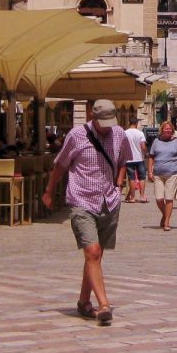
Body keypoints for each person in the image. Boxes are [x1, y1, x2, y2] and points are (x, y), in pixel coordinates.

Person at [43, 99, 132, 325]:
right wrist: (49, 191)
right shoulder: (76, 135)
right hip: (82, 200)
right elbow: (61, 164)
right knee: (92, 252)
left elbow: (124, 160)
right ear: (93, 117)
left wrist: (119, 183)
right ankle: (103, 304)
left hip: (109, 201)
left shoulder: (119, 134)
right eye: (103, 122)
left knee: (95, 255)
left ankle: (84, 302)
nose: (106, 126)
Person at [147, 121, 177, 230]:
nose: (167, 130)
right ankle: (165, 214)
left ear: (172, 130)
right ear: (161, 130)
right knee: (159, 199)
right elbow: (151, 156)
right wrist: (150, 171)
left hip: (172, 173)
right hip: (158, 174)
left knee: (169, 198)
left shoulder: (176, 142)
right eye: (165, 129)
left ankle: (166, 222)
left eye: (169, 129)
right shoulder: (156, 141)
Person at [123, 120, 148, 204]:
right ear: (136, 124)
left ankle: (132, 197)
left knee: (131, 178)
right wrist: (145, 154)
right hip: (139, 158)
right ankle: (142, 196)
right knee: (142, 177)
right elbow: (143, 146)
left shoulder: (125, 133)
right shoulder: (140, 133)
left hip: (129, 159)